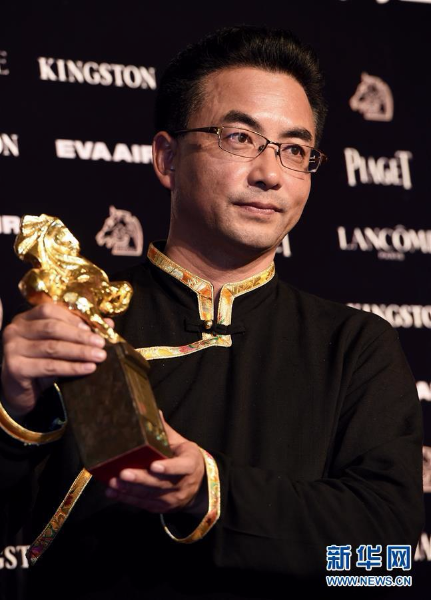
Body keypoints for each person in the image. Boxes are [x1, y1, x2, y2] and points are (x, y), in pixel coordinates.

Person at [0, 26, 424, 599]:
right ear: (167, 157)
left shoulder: (356, 345)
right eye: (239, 138)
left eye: (295, 150)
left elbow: (385, 562)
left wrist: (210, 492)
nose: (270, 174)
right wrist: (13, 409)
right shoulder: (74, 323)